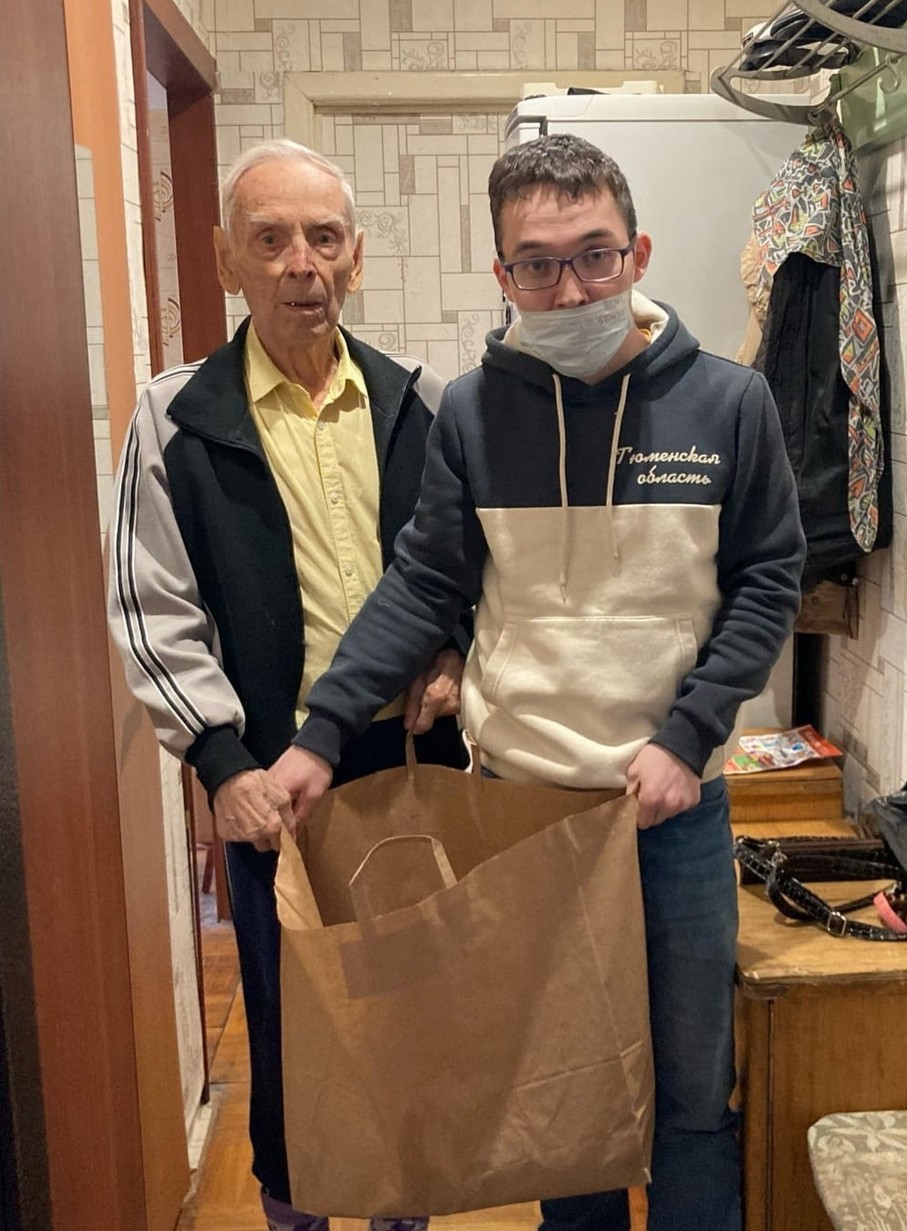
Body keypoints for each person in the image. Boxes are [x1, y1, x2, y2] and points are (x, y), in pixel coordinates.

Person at [270, 133, 806, 1231]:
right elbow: (425, 583)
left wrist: (687, 736)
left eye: (595, 256)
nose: (570, 289)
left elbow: (768, 583)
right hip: (523, 818)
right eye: (538, 264)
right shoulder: (472, 413)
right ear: (501, 273)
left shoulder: (729, 402)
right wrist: (322, 731)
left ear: (638, 252)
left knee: (693, 1096)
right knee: (566, 1096)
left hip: (672, 813)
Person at [106, 139, 469, 1231]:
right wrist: (221, 764)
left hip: (407, 766)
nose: (299, 264)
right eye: (269, 240)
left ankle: (403, 1212)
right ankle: (295, 1213)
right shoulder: (175, 417)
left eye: (322, 238)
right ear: (228, 260)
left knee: (413, 1020)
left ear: (354, 257)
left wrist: (454, 655)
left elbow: (468, 571)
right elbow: (149, 604)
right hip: (272, 782)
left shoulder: (420, 400)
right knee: (291, 1031)